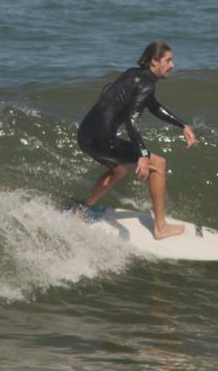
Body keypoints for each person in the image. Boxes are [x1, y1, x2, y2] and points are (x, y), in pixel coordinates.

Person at [77, 41, 197, 240]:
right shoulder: (147, 84)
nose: (172, 65)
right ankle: (161, 227)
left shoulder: (133, 74)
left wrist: (183, 125)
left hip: (86, 135)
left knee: (119, 170)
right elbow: (131, 121)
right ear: (154, 62)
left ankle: (81, 210)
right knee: (158, 164)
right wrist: (142, 154)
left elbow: (154, 107)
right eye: (168, 60)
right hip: (102, 139)